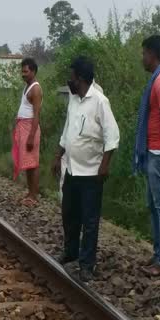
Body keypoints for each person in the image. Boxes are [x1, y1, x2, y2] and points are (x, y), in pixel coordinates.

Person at [52, 56, 120, 282]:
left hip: (91, 173)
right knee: (69, 214)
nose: (69, 80)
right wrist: (58, 155)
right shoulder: (74, 100)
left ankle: (87, 264)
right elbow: (67, 131)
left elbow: (112, 135)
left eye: (71, 76)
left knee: (89, 221)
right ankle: (70, 251)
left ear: (79, 78)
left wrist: (105, 165)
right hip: (72, 169)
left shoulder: (100, 101)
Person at [133, 35, 160, 276]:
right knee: (154, 205)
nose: (142, 58)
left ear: (152, 54)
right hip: (155, 152)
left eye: (144, 53)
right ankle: (159, 253)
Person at [12, 57, 43, 206]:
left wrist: (31, 136)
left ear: (33, 71)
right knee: (28, 163)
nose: (23, 74)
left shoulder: (35, 89)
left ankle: (34, 196)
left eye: (26, 71)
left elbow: (36, 114)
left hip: (30, 128)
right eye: (22, 71)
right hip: (24, 128)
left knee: (33, 164)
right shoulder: (27, 87)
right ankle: (30, 193)